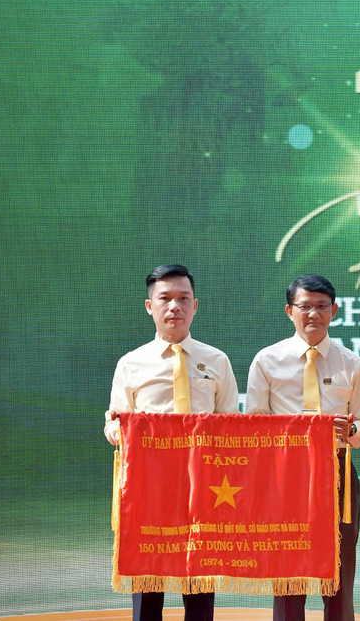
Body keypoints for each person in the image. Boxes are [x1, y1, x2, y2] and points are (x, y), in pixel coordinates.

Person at [104, 264, 239, 621]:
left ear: (196, 306)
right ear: (150, 306)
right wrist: (121, 430)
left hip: (204, 487)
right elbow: (115, 426)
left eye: (183, 299)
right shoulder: (131, 364)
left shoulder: (217, 361)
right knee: (148, 584)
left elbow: (230, 425)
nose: (174, 307)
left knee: (198, 586)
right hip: (149, 488)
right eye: (165, 299)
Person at [245, 274, 360, 621]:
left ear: (334, 310)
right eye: (305, 306)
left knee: (339, 575)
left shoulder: (352, 363)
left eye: (321, 306)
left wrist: (351, 430)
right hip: (284, 477)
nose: (313, 314)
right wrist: (298, 430)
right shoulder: (266, 360)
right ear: (290, 311)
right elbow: (254, 423)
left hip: (338, 475)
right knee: (288, 577)